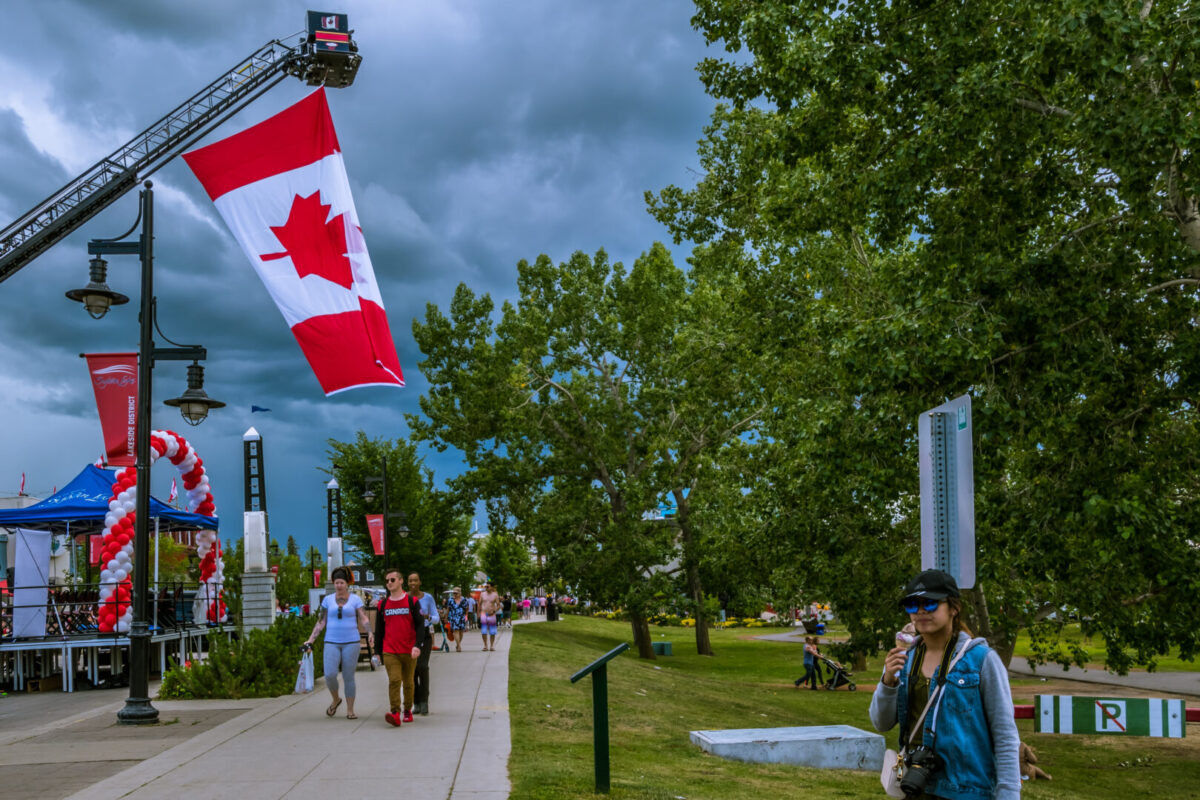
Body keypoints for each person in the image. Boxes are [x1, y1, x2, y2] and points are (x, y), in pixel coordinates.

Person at [869, 569, 1021, 800]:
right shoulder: (904, 659)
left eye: (929, 603)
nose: (920, 611)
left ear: (954, 608)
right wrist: (888, 680)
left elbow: (1005, 736)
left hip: (966, 791)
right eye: (912, 605)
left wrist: (1008, 794)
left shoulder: (981, 660)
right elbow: (881, 723)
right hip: (915, 786)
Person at [304, 566, 373, 720]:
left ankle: (350, 710)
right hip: (331, 641)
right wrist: (311, 639)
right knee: (330, 674)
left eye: (342, 582)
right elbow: (321, 622)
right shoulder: (328, 600)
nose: (339, 585)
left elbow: (363, 617)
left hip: (351, 641)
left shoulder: (355, 599)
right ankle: (336, 699)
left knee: (349, 676)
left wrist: (369, 632)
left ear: (346, 584)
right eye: (336, 583)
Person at [374, 568, 425, 726]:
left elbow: (420, 625)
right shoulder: (382, 605)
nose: (389, 582)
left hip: (409, 650)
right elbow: (379, 630)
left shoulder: (412, 602)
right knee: (394, 680)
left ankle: (408, 710)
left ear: (401, 581)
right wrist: (377, 652)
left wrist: (417, 645)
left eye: (392, 580)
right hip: (390, 650)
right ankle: (395, 712)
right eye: (387, 580)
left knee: (408, 682)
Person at [407, 571, 439, 715]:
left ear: (420, 582)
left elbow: (437, 618)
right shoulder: (405, 598)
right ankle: (416, 702)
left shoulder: (428, 598)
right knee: (411, 669)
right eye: (410, 581)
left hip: (424, 635)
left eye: (415, 580)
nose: (413, 583)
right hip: (409, 636)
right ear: (407, 583)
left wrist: (428, 617)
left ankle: (424, 700)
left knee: (422, 666)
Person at [478, 582, 501, 651]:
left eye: (488, 586)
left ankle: (492, 646)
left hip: (492, 615)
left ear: (492, 587)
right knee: (484, 631)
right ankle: (485, 645)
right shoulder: (482, 594)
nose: (486, 588)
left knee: (492, 631)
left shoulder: (495, 595)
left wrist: (494, 611)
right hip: (483, 614)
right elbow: (479, 604)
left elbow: (498, 605)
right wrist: (478, 613)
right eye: (486, 586)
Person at [445, 587, 470, 652]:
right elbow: (448, 609)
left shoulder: (464, 600)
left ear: (460, 593)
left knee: (461, 632)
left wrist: (466, 616)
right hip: (453, 617)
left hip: (461, 617)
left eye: (456, 593)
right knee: (455, 631)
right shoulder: (450, 600)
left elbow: (467, 608)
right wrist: (446, 617)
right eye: (454, 593)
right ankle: (459, 646)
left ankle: (458, 644)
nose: (455, 594)